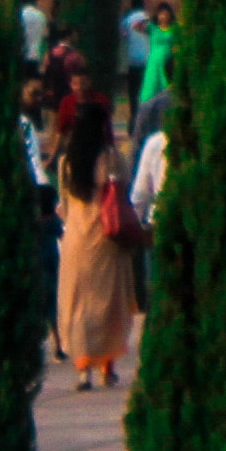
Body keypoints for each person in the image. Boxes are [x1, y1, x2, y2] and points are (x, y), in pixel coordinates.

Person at [48, 116, 141, 393]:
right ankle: (106, 368)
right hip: (106, 238)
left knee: (78, 304)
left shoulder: (66, 164)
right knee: (108, 304)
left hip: (76, 239)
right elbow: (125, 191)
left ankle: (82, 370)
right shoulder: (112, 158)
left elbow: (63, 203)